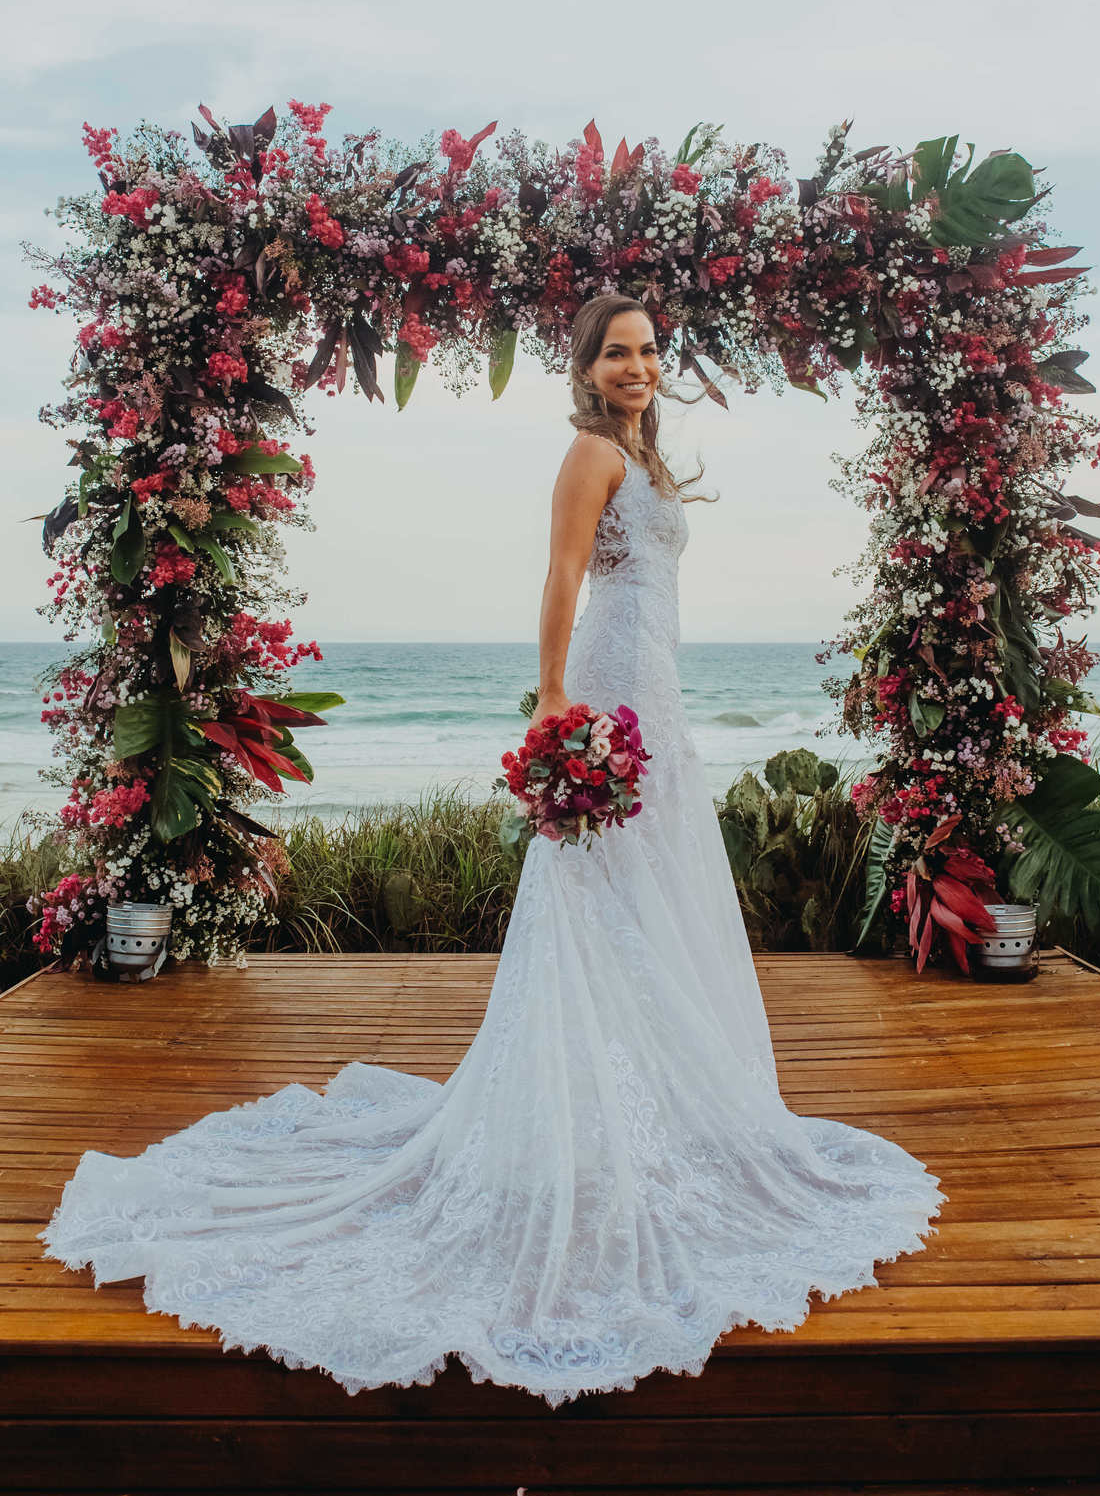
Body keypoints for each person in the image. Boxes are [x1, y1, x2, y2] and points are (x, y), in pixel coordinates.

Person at [40, 291, 946, 1409]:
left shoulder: (641, 455)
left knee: (650, 893)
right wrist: (558, 700)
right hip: (609, 687)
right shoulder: (585, 453)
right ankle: (579, 1112)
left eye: (651, 350)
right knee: (593, 888)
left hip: (654, 691)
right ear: (585, 365)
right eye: (618, 351)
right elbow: (563, 577)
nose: (637, 365)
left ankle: (647, 1100)